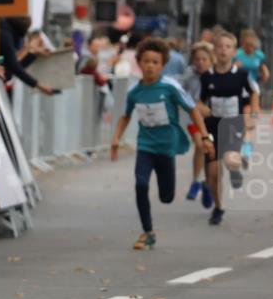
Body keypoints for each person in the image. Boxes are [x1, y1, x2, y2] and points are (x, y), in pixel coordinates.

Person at [110, 39, 212, 249]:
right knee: (141, 184)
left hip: (166, 148)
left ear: (162, 64)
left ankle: (167, 193)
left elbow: (193, 110)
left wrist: (204, 137)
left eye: (155, 62)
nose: (150, 66)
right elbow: (125, 116)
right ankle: (147, 232)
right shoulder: (135, 92)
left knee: (167, 197)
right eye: (146, 61)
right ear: (139, 63)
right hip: (145, 146)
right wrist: (116, 138)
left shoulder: (170, 87)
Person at [199, 29, 260, 225]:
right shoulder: (207, 76)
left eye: (228, 47)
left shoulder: (241, 74)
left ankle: (234, 170)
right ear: (214, 51)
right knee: (214, 172)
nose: (223, 50)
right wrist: (203, 110)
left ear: (234, 51)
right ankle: (218, 207)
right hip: (213, 126)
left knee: (230, 160)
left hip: (233, 124)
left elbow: (254, 92)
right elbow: (199, 102)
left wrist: (254, 112)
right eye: (220, 47)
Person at [182, 41, 216, 208]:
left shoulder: (218, 75)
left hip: (213, 119)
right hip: (194, 119)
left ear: (211, 60)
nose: (200, 62)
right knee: (200, 145)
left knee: (211, 154)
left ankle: (207, 186)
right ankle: (196, 181)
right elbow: (181, 95)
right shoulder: (189, 76)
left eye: (204, 59)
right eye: (197, 59)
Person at [0, 15, 56, 97]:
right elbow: (13, 64)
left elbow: (14, 61)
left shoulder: (5, 30)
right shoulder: (5, 35)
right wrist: (39, 85)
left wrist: (33, 50)